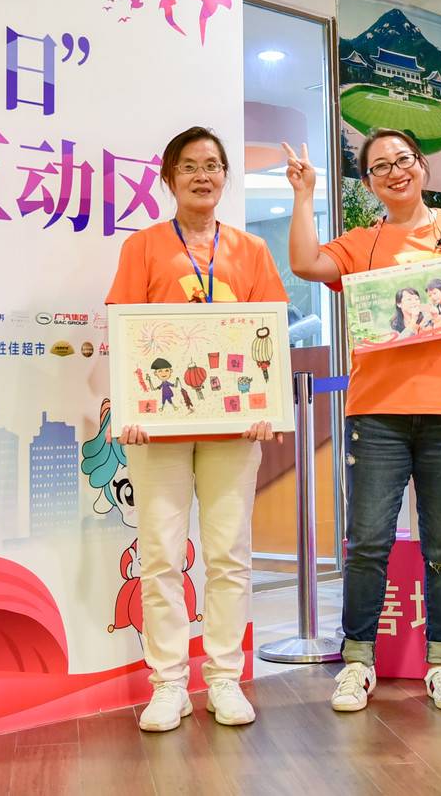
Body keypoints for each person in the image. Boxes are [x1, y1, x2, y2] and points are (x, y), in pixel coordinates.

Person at [282, 129, 441, 713]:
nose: (395, 172)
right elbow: (304, 262)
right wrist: (304, 194)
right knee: (368, 543)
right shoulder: (361, 243)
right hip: (376, 412)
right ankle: (357, 662)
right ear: (368, 182)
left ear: (422, 166)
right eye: (380, 166)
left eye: (403, 159)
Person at [106, 126, 288, 733]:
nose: (202, 175)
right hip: (157, 428)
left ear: (225, 176)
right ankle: (168, 685)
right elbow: (125, 333)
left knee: (229, 555)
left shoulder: (251, 251)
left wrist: (265, 403)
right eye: (189, 166)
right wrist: (129, 410)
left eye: (212, 165)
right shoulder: (143, 247)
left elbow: (268, 332)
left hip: (233, 427)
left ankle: (224, 679)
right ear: (169, 178)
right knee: (160, 556)